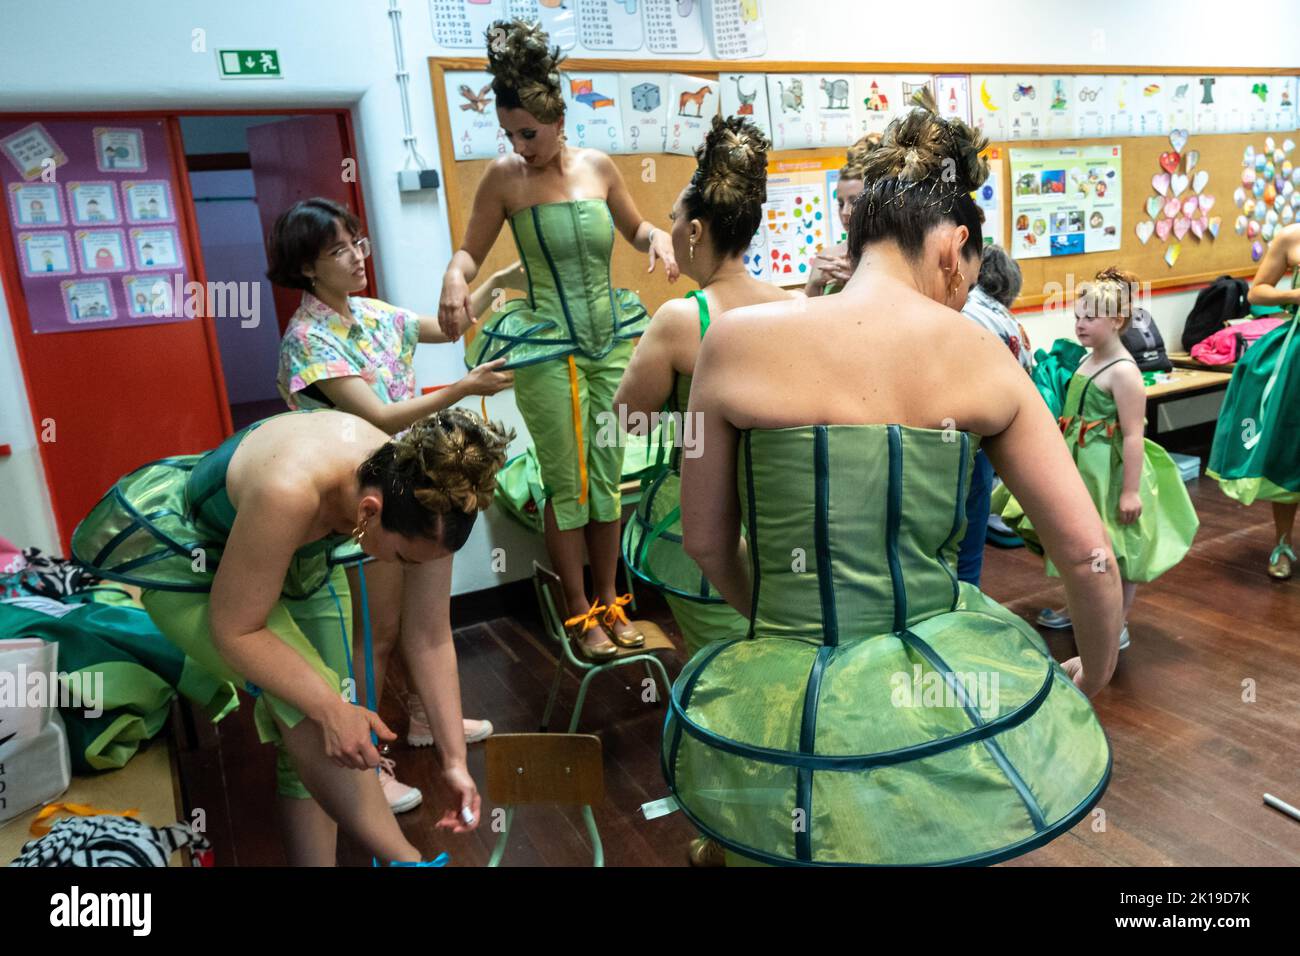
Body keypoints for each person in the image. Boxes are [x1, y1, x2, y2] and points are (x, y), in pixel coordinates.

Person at [665, 92, 1117, 866]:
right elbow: (1089, 557)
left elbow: (705, 543)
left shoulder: (732, 344)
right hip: (938, 686)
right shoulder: (981, 357)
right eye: (966, 276)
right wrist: (1098, 670)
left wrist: (785, 622)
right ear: (954, 248)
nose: (960, 295)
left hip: (786, 687)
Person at [72, 408, 511, 865]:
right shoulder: (290, 489)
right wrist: (328, 708)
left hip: (300, 558)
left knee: (332, 730)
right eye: (401, 559)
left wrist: (455, 762)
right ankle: (409, 861)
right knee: (312, 708)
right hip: (193, 558)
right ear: (368, 511)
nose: (406, 572)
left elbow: (430, 637)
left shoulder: (430, 498)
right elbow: (236, 629)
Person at [437, 18, 678, 659]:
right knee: (565, 482)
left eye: (529, 133)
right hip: (547, 349)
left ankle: (612, 599)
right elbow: (468, 253)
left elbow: (635, 230)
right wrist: (454, 280)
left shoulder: (599, 168)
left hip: (610, 343)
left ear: (558, 118)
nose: (520, 145)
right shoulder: (503, 179)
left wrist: (655, 236)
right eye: (510, 133)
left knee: (608, 475)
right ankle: (578, 612)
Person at [270, 197, 514, 812]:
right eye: (338, 251)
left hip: (418, 485)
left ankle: (435, 725)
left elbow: (448, 327)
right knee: (375, 634)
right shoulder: (308, 340)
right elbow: (374, 416)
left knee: (430, 626)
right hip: (366, 501)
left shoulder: (371, 314)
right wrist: (462, 387)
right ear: (305, 268)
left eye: (357, 243)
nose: (356, 258)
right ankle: (368, 760)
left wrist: (492, 284)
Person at [614, 115, 791, 866]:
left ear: (696, 232)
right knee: (778, 675)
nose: (670, 233)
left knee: (725, 687)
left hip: (703, 531)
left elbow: (625, 416)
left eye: (676, 221)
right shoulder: (792, 304)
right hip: (785, 524)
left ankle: (739, 837)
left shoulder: (681, 320)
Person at [1002, 268, 1198, 648]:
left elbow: (1133, 435)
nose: (1080, 324)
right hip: (1081, 469)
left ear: (1117, 320)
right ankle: (1077, 608)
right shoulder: (1087, 360)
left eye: (1090, 318)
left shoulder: (1124, 373)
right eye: (1077, 316)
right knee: (1079, 541)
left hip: (1109, 473)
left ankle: (1116, 621)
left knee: (1116, 548)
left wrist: (1129, 492)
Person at [1206, 222, 1300, 579]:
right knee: (1287, 449)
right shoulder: (1292, 236)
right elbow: (1258, 293)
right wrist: (1295, 297)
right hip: (1297, 355)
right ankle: (1283, 543)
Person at [955, 244, 1032, 585]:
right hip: (997, 430)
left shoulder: (964, 310)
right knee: (972, 537)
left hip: (964, 431)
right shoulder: (1008, 319)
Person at [803, 132, 880, 297]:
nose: (845, 212)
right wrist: (814, 284)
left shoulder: (892, 258)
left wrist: (861, 279)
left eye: (854, 201)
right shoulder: (826, 258)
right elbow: (807, 315)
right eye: (840, 203)